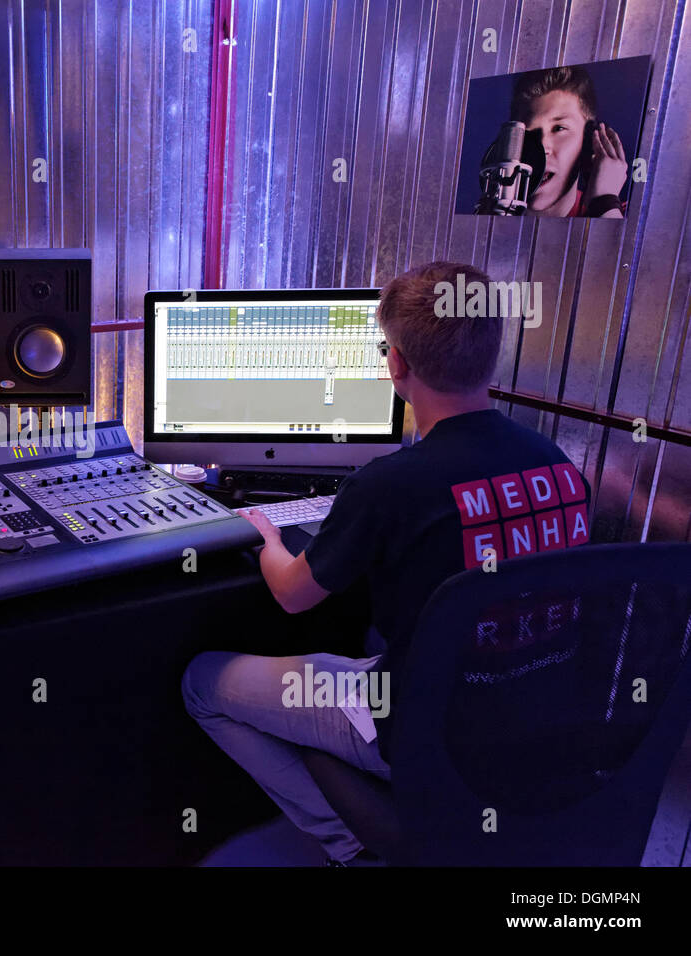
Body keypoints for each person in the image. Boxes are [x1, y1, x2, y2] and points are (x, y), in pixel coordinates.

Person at [181, 261, 593, 865]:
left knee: (202, 683)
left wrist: (265, 534)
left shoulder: (391, 485)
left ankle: (351, 845)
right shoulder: (558, 465)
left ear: (396, 365)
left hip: (419, 726)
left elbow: (293, 596)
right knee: (348, 657)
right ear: (492, 357)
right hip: (534, 721)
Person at [510, 65, 627, 218]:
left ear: (589, 143)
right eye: (527, 132)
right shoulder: (490, 216)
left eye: (558, 128)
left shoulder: (623, 216)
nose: (541, 147)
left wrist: (604, 204)